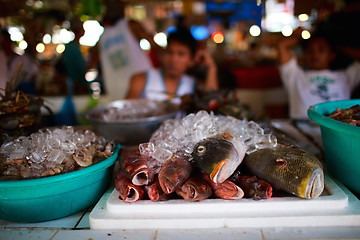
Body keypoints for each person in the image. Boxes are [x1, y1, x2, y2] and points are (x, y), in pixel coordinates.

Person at [278, 28, 360, 120]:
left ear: (331, 55)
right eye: (310, 50)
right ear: (305, 54)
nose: (315, 54)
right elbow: (282, 45)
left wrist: (338, 45)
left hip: (337, 129)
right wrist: (301, 37)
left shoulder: (346, 76)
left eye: (321, 49)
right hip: (301, 130)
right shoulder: (294, 76)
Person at [90, 1, 162, 101]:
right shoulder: (130, 26)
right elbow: (155, 46)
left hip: (132, 86)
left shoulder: (104, 36)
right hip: (129, 88)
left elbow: (92, 62)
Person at [125, 28, 218, 102]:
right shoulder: (141, 80)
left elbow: (211, 102)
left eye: (181, 54)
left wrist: (211, 67)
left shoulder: (193, 85)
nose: (174, 59)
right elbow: (126, 114)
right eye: (170, 52)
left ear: (191, 61)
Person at [56, 17, 89, 95]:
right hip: (77, 86)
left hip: (71, 85)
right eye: (82, 28)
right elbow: (81, 69)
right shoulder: (74, 49)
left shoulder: (69, 47)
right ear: (79, 30)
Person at [0, 29, 38, 94]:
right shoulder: (2, 57)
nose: (4, 43)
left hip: (15, 94)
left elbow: (33, 74)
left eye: (5, 41)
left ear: (10, 41)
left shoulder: (23, 59)